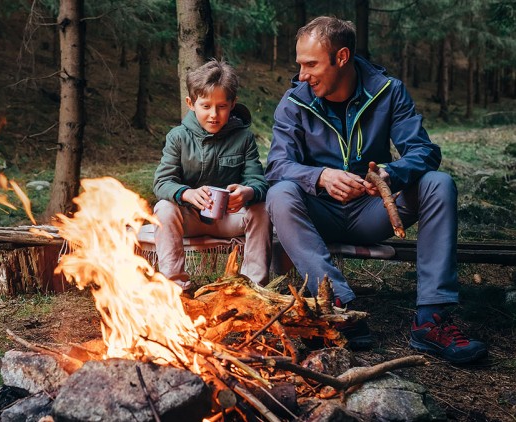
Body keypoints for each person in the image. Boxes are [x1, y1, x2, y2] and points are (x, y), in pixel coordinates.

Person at [265, 16, 487, 364]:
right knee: (279, 194)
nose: (302, 75)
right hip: (317, 215)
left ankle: (432, 320)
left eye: (311, 64)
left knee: (438, 184)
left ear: (341, 57)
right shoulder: (295, 102)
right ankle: (339, 305)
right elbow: (277, 166)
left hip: (374, 212)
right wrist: (321, 176)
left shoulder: (388, 91)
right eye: (300, 65)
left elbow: (424, 152)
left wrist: (389, 173)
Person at [153, 59, 271, 290]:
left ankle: (252, 287)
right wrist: (186, 194)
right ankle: (175, 287)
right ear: (191, 103)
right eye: (206, 106)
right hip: (190, 219)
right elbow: (162, 182)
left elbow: (258, 182)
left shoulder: (243, 138)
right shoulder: (178, 137)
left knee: (262, 209)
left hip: (230, 217)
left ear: (233, 103)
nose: (214, 115)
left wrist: (247, 192)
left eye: (222, 107)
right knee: (163, 209)